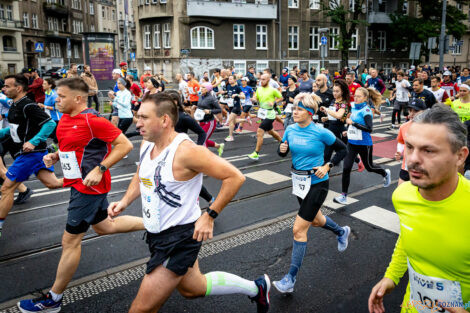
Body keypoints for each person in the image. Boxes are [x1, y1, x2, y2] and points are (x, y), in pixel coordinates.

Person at [107, 93, 271, 313]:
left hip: (179, 237)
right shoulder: (147, 143)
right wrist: (125, 201)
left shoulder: (188, 151)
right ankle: (256, 288)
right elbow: (141, 173)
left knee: (140, 309)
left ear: (164, 120)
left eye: (144, 117)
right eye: (138, 116)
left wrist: (209, 215)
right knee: (193, 288)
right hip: (157, 233)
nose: (137, 122)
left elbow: (235, 177)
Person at [17, 78, 144, 312]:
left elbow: (125, 145)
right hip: (79, 184)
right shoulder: (65, 119)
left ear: (78, 98)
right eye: (57, 95)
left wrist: (100, 168)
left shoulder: (92, 120)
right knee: (104, 226)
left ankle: (53, 300)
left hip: (89, 188)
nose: (56, 99)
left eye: (61, 96)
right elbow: (72, 147)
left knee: (70, 241)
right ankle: (158, 224)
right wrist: (55, 156)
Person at [368, 104, 470, 313]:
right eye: (410, 147)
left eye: (428, 150)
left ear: (460, 156)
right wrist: (391, 276)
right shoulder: (402, 195)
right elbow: (408, 236)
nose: (413, 159)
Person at [274, 92, 349, 293]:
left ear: (309, 112)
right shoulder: (290, 129)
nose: (294, 112)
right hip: (299, 182)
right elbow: (282, 152)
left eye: (299, 109)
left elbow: (343, 150)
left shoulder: (320, 132)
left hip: (318, 184)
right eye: (294, 108)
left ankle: (290, 279)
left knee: (299, 229)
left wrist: (328, 165)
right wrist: (281, 149)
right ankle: (342, 232)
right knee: (316, 220)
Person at [0, 75, 63, 237]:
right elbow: (15, 129)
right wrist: (2, 133)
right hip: (35, 154)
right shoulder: (15, 105)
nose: (3, 89)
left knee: (6, 188)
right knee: (53, 183)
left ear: (18, 88)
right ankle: (82, 179)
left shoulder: (28, 105)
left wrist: (34, 141)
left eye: (7, 86)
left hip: (30, 153)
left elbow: (49, 124)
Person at [334, 87, 392, 205]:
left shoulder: (366, 111)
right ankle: (344, 196)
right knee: (346, 168)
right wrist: (348, 130)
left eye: (358, 96)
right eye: (355, 95)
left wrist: (353, 124)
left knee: (369, 167)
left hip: (365, 144)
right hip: (352, 143)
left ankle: (385, 173)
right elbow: (352, 124)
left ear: (365, 98)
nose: (355, 98)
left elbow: (369, 129)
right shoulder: (354, 107)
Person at [247, 73, 283, 161]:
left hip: (270, 114)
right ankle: (283, 143)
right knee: (271, 132)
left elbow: (281, 97)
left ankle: (256, 153)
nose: (261, 81)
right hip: (262, 112)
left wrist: (274, 102)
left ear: (268, 80)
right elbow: (256, 98)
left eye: (263, 79)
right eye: (260, 79)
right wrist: (254, 99)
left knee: (260, 132)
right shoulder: (259, 89)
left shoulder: (272, 90)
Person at [394, 98, 427, 185]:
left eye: (415, 111)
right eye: (410, 110)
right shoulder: (404, 126)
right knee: (400, 194)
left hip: (424, 167)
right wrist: (399, 151)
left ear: (424, 112)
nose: (411, 114)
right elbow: (401, 141)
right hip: (407, 166)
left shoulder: (430, 127)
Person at [319, 79, 350, 163]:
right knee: (327, 154)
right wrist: (326, 118)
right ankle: (325, 173)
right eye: (333, 91)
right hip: (331, 129)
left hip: (340, 130)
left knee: (344, 152)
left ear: (342, 92)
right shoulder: (333, 101)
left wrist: (327, 110)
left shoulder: (343, 103)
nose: (334, 93)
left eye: (337, 91)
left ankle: (358, 161)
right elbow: (334, 115)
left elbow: (339, 115)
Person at [194, 83, 225, 156]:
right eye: (201, 87)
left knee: (202, 141)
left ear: (208, 89)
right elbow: (201, 107)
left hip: (209, 122)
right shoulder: (201, 96)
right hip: (201, 122)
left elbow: (219, 110)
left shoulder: (211, 98)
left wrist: (210, 111)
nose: (201, 89)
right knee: (203, 139)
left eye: (203, 87)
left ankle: (205, 160)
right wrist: (196, 108)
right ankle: (219, 146)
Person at [223, 75, 250, 142]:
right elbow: (229, 94)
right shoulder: (228, 86)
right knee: (233, 121)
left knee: (230, 121)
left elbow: (243, 96)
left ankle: (231, 136)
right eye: (229, 79)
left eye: (231, 79)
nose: (229, 80)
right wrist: (225, 95)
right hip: (230, 106)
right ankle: (245, 120)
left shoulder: (237, 88)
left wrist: (237, 95)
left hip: (236, 106)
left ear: (235, 80)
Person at [38, 78, 61, 144]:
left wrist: (44, 106)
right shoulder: (47, 93)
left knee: (55, 140)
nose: (42, 85)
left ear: (50, 85)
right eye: (43, 83)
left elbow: (57, 108)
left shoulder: (54, 95)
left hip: (56, 119)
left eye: (44, 84)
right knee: (51, 138)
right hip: (50, 118)